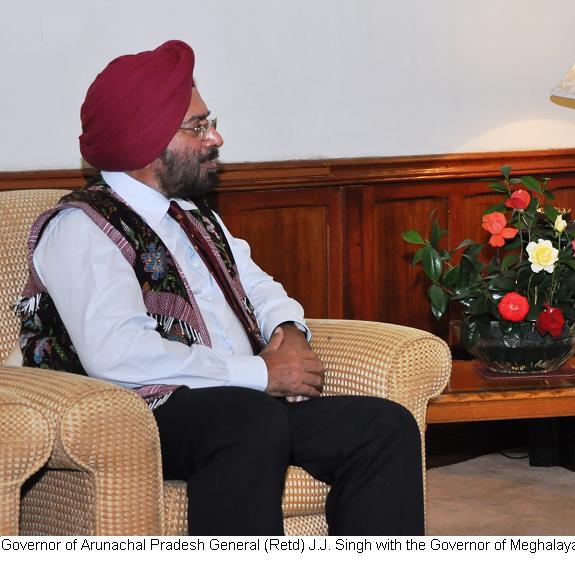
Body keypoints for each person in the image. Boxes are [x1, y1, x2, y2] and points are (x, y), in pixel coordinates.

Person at [14, 40, 424, 535]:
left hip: (241, 402)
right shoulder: (83, 227)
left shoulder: (193, 215)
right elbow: (117, 354)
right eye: (199, 127)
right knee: (248, 420)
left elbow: (259, 285)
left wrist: (289, 330)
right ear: (148, 142)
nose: (217, 137)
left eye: (210, 122)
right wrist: (260, 373)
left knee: (384, 427)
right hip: (138, 414)